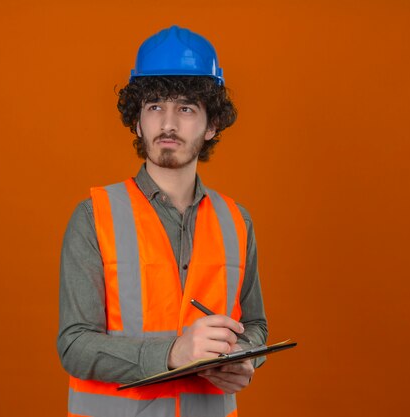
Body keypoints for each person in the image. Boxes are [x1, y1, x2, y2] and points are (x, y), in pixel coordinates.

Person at [57, 25, 268, 417]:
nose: (168, 123)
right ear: (138, 122)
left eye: (185, 108)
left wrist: (244, 357)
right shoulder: (93, 216)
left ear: (211, 125)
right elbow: (74, 345)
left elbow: (255, 325)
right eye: (155, 106)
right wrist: (173, 352)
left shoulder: (237, 221)